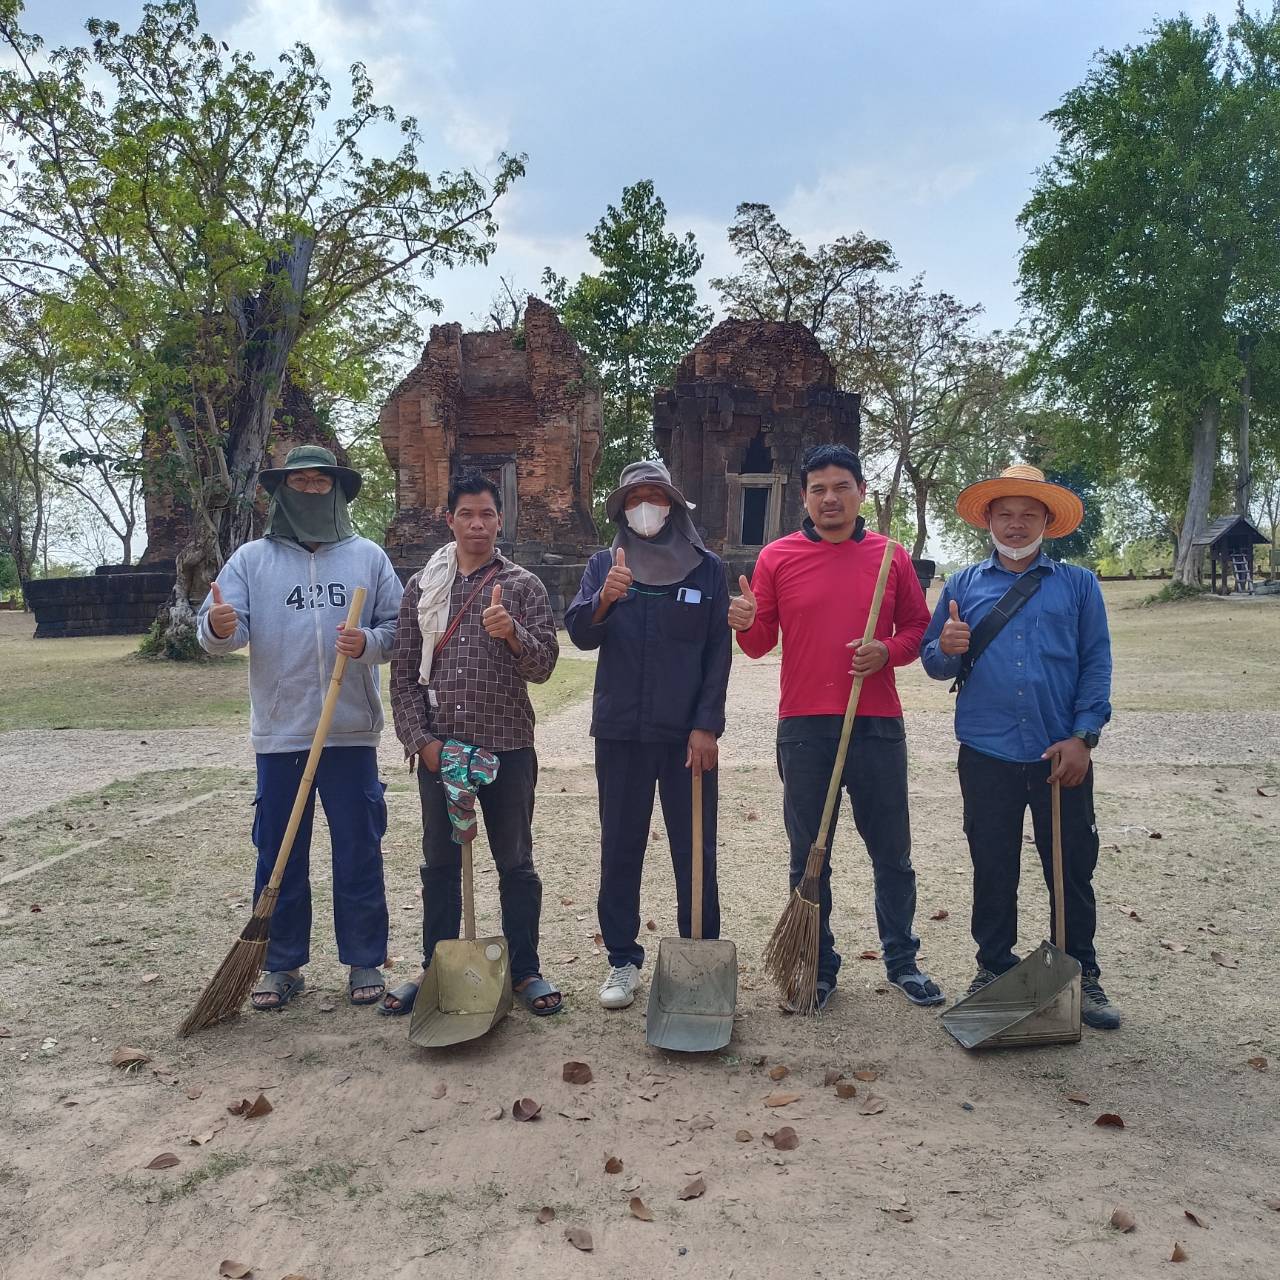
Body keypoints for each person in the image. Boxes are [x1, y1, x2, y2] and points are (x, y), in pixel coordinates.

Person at [731, 443, 941, 1011]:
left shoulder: (889, 557)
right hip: (803, 726)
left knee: (892, 851)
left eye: (840, 486)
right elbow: (758, 646)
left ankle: (902, 961)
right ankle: (818, 967)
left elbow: (918, 627)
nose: (830, 498)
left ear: (860, 493)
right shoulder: (777, 558)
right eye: (818, 488)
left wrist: (887, 650)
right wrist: (745, 623)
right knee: (809, 854)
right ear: (803, 497)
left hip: (875, 724)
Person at [197, 444, 404, 1011]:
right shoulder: (251, 561)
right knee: (278, 854)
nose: (311, 492)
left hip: (349, 732)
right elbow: (223, 630)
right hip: (282, 733)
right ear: (281, 493)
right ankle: (282, 965)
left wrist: (368, 643)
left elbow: (398, 628)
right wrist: (217, 625)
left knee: (359, 848)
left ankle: (364, 959)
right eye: (300, 483)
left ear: (337, 491)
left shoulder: (368, 557)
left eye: (320, 484)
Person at [919, 464, 1118, 1029]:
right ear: (988, 519)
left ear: (1048, 522)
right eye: (1004, 513)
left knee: (1071, 866)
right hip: (986, 751)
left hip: (1061, 752)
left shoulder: (1079, 584)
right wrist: (949, 648)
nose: (1014, 524)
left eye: (1028, 514)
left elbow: (1096, 664)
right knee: (993, 863)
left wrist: (1083, 737)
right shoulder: (962, 585)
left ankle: (1082, 973)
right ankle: (993, 967)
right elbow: (935, 663)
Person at [384, 468, 564, 1017]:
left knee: (515, 863)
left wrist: (512, 632)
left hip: (507, 747)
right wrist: (423, 743)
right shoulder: (423, 587)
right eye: (467, 514)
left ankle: (526, 970)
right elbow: (404, 676)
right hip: (442, 752)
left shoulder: (524, 586)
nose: (477, 524)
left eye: (487, 513)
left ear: (500, 520)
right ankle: (433, 964)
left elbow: (545, 666)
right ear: (450, 520)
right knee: (439, 864)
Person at [565, 459, 732, 1010]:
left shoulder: (708, 570)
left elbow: (716, 652)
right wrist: (607, 597)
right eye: (635, 497)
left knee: (695, 848)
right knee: (619, 848)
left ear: (674, 504)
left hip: (687, 740)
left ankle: (698, 955)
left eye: (655, 496)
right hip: (620, 733)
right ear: (621, 508)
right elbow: (582, 635)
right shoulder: (602, 564)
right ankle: (622, 960)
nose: (645, 506)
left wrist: (707, 724)